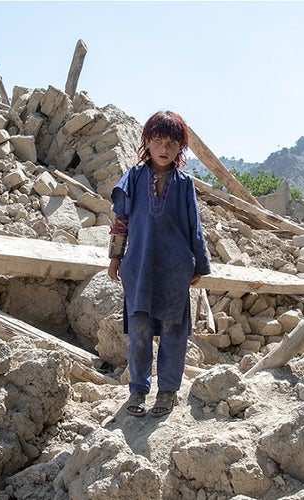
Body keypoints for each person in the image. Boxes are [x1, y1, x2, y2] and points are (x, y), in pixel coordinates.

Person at [109, 111, 210, 418]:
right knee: (139, 330)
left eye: (171, 142)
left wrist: (199, 265)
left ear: (181, 147)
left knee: (173, 331)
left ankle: (167, 391)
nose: (164, 148)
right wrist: (115, 257)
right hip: (139, 266)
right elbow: (121, 220)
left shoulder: (184, 184)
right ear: (147, 142)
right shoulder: (134, 177)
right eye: (157, 140)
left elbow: (195, 226)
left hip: (175, 268)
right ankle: (138, 390)